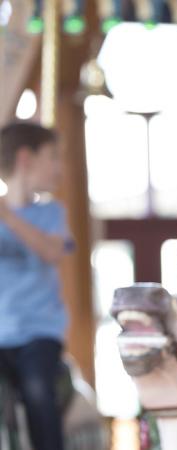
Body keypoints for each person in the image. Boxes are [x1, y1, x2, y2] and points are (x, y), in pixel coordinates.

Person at [0, 122, 71, 450]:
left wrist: (10, 219)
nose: (59, 166)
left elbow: (53, 252)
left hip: (38, 333)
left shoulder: (52, 213)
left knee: (38, 389)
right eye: (53, 157)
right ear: (26, 158)